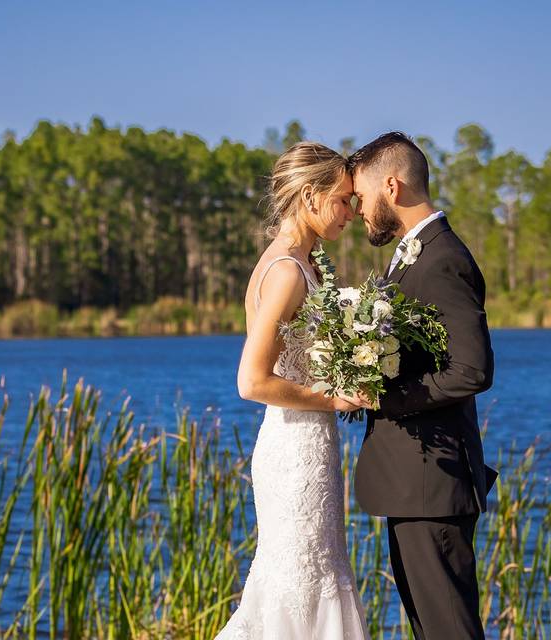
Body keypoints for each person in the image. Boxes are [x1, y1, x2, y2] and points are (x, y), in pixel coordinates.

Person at [215, 142, 371, 639]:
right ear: (309, 196)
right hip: (294, 451)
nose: (352, 211)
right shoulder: (285, 271)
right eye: (344, 199)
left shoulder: (305, 263)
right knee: (303, 583)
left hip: (307, 442)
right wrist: (334, 399)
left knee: (313, 577)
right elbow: (252, 380)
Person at [349, 132, 497, 640]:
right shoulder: (414, 254)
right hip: (415, 483)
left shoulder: (442, 259)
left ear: (391, 186)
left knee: (449, 630)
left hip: (434, 483)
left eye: (363, 197)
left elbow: (472, 370)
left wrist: (385, 398)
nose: (360, 211)